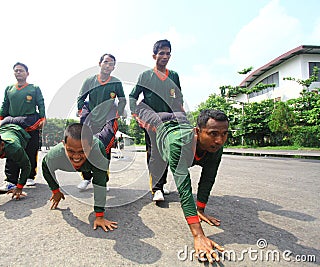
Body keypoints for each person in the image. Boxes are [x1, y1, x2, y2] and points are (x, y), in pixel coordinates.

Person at [133, 103, 229, 263]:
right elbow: (185, 189)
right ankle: (157, 188)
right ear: (197, 132)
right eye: (213, 134)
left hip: (179, 120)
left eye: (224, 134)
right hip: (159, 125)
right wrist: (198, 234)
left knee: (177, 115)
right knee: (156, 159)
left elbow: (208, 178)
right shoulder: (178, 145)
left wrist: (200, 209)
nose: (219, 140)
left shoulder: (216, 147)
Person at [129, 39, 184, 202]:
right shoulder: (146, 76)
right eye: (161, 53)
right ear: (154, 56)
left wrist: (182, 115)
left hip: (169, 120)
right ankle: (156, 188)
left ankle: (161, 183)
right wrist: (135, 114)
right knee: (154, 153)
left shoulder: (173, 75)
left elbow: (178, 97)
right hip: (151, 121)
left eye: (168, 53)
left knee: (167, 151)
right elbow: (133, 96)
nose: (165, 56)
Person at [41, 123, 118, 232]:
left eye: (82, 151)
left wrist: (99, 216)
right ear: (64, 144)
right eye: (71, 151)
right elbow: (45, 166)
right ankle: (86, 176)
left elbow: (99, 184)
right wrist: (55, 191)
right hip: (85, 161)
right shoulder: (56, 155)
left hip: (96, 155)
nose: (76, 157)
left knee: (102, 177)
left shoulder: (97, 151)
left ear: (90, 146)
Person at [76, 53, 126, 190]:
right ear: (100, 64)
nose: (108, 65)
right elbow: (81, 97)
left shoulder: (116, 82)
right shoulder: (89, 81)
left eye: (111, 64)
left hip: (107, 117)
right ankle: (86, 178)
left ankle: (102, 180)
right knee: (84, 144)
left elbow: (122, 99)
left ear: (113, 67)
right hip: (91, 116)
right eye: (106, 62)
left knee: (104, 148)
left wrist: (120, 111)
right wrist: (80, 110)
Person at [0, 62, 46, 189]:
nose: (18, 72)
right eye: (16, 70)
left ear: (27, 73)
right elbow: (5, 104)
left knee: (31, 150)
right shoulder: (9, 89)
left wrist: (42, 118)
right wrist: (0, 118)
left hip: (30, 123)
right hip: (13, 126)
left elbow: (40, 104)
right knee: (11, 149)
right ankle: (10, 181)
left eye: (21, 70)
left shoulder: (34, 88)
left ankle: (30, 176)